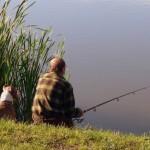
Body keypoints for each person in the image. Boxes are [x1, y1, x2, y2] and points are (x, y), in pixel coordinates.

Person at [32, 57, 83, 127]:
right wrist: (79, 112)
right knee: (68, 119)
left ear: (50, 68)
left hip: (37, 118)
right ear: (63, 69)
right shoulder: (66, 85)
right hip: (53, 122)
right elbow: (69, 112)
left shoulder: (41, 79)